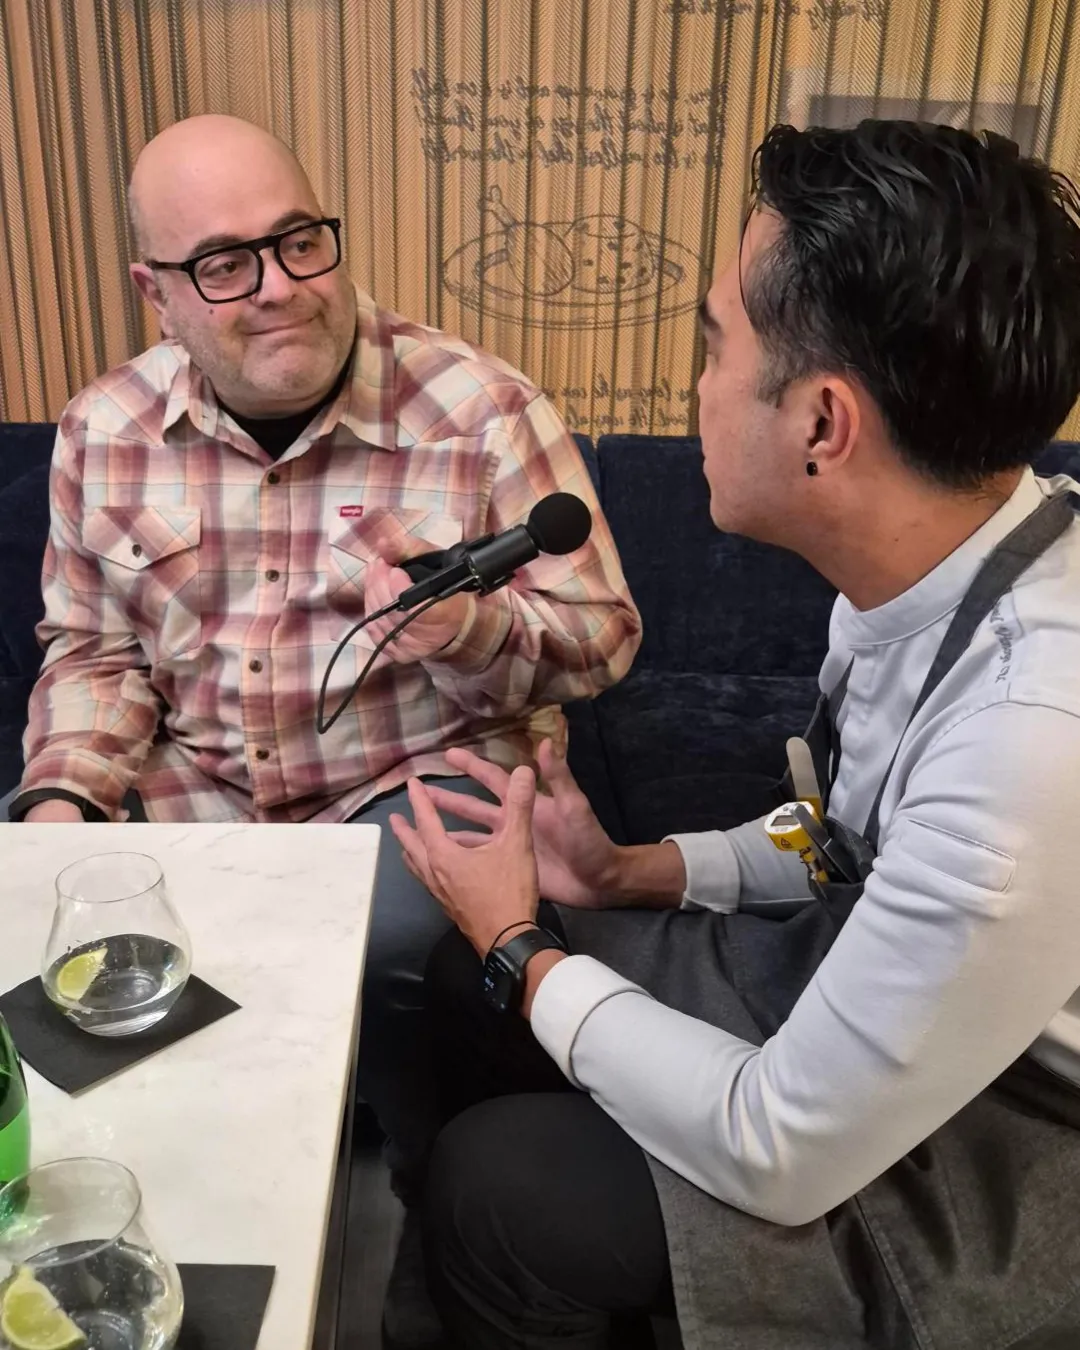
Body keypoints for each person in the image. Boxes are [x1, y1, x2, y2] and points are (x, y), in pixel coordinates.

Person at [392, 120, 1080, 1350]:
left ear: (823, 424)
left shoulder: (1029, 740)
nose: (694, 388)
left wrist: (516, 941)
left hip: (1024, 1137)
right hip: (894, 991)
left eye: (715, 346)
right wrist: (631, 874)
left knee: (500, 1188)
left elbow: (781, 1149)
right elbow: (852, 838)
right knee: (469, 985)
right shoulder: (938, 559)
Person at [4, 111, 640, 1270]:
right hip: (194, 791)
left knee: (379, 936)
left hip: (407, 788)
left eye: (301, 241)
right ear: (159, 293)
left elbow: (601, 642)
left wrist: (468, 626)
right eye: (224, 264)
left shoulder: (482, 410)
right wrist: (63, 809)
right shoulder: (103, 429)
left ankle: (432, 1233)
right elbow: (92, 655)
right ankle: (183, 1230)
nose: (278, 288)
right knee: (72, 959)